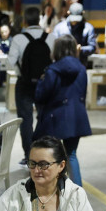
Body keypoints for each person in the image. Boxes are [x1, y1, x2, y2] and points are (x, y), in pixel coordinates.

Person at [34, 35, 92, 187]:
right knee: (71, 154)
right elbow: (83, 93)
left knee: (51, 155)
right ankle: (78, 193)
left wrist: (41, 81)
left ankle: (53, 189)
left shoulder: (52, 70)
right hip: (76, 116)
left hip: (55, 117)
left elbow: (42, 95)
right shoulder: (81, 69)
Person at [8, 7, 53, 163]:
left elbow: (9, 63)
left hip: (24, 84)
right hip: (45, 84)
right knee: (44, 118)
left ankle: (29, 156)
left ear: (25, 21)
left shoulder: (18, 39)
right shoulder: (51, 38)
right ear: (39, 20)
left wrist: (21, 70)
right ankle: (44, 155)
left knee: (25, 121)